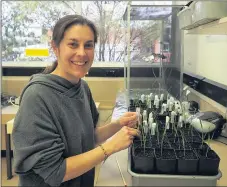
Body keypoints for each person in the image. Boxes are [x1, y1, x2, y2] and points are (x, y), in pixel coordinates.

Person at [12, 15, 140, 187]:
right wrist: (109, 148)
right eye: (73, 44)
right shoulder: (38, 96)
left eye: (88, 45)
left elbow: (88, 138)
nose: (82, 52)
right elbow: (55, 171)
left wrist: (118, 124)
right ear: (55, 48)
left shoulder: (82, 88)